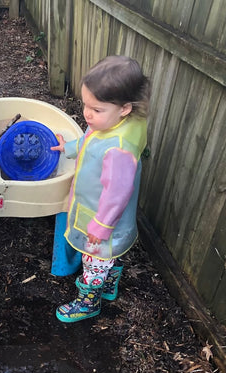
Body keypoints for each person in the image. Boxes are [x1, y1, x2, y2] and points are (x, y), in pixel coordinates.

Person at [50, 55, 150, 323]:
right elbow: (88, 140)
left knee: (94, 260)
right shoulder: (115, 122)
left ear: (125, 108)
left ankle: (88, 302)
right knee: (109, 258)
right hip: (109, 219)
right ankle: (108, 286)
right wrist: (68, 148)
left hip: (102, 219)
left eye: (96, 109)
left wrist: (101, 225)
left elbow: (117, 193)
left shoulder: (118, 148)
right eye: (85, 105)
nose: (87, 113)